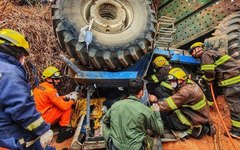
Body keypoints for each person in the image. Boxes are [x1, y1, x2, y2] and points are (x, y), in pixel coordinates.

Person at [0, 29, 53, 149]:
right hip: (10, 137)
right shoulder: (10, 73)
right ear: (15, 51)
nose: (23, 59)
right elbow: (22, 108)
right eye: (23, 55)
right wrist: (44, 130)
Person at [189, 42, 240, 139]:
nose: (192, 54)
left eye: (192, 51)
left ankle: (237, 132)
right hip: (235, 80)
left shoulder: (205, 55)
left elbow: (209, 71)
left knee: (235, 106)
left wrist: (209, 81)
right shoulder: (213, 53)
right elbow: (215, 70)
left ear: (198, 48)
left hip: (233, 83)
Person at [149, 68, 214, 139]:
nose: (171, 83)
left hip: (195, 118)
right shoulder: (189, 83)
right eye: (170, 81)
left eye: (173, 81)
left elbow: (167, 105)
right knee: (165, 102)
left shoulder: (185, 92)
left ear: (181, 80)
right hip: (198, 114)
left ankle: (193, 130)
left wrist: (149, 109)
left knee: (167, 120)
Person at [102, 78, 164, 150]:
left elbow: (105, 121)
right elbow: (159, 131)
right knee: (150, 140)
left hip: (115, 147)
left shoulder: (116, 105)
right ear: (141, 92)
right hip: (136, 148)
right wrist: (157, 113)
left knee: (105, 125)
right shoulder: (145, 109)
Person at [33, 66, 79, 143]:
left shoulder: (39, 87)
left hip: (36, 118)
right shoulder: (51, 91)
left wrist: (65, 97)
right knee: (67, 108)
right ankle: (62, 135)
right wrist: (73, 100)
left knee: (62, 105)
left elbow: (53, 99)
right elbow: (64, 106)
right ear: (48, 79)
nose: (58, 81)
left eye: (58, 78)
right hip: (43, 120)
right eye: (56, 79)